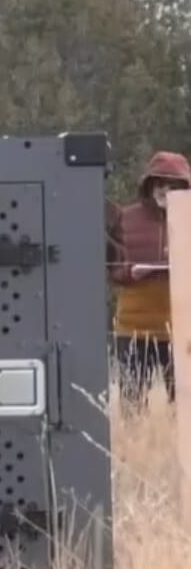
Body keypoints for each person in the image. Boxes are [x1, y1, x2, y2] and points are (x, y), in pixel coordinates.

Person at [106, 150, 190, 410]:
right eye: (160, 183)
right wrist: (131, 273)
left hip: (182, 331)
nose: (166, 190)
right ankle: (135, 450)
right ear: (150, 186)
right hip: (133, 329)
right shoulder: (125, 218)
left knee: (185, 409)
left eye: (173, 184)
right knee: (133, 406)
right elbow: (108, 267)